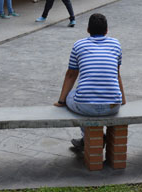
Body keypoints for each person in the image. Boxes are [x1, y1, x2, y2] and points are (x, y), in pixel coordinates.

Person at [53, 13, 126, 151]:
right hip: (113, 106)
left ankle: (88, 136)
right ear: (106, 30)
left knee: (74, 95)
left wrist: (61, 101)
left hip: (86, 106)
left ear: (88, 30)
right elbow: (117, 75)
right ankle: (90, 138)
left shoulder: (78, 45)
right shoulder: (116, 44)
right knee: (85, 95)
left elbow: (71, 74)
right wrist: (122, 100)